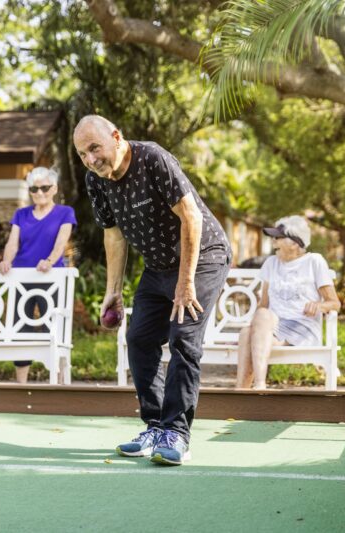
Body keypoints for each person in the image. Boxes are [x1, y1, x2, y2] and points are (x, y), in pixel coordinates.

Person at [73, 115, 231, 466]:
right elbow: (112, 234)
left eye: (95, 147)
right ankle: (156, 424)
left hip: (202, 256)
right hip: (158, 266)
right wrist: (113, 290)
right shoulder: (96, 180)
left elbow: (191, 216)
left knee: (183, 338)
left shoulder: (153, 159)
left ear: (116, 136)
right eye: (83, 153)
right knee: (141, 338)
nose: (90, 159)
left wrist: (186, 283)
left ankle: (177, 433)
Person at [236, 216, 341, 390]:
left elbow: (334, 303)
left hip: (301, 329)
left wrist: (319, 305)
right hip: (273, 328)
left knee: (252, 331)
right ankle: (242, 394)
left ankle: (258, 386)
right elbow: (264, 304)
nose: (273, 241)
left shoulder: (314, 261)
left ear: (295, 242)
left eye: (278, 237)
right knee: (246, 333)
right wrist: (257, 329)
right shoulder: (271, 263)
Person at [0, 167, 77, 383]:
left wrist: (50, 261)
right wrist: (6, 261)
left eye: (44, 188)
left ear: (54, 189)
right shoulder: (20, 214)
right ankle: (21, 386)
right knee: (20, 328)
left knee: (54, 327)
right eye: (34, 188)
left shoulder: (65, 212)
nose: (39, 192)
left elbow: (61, 241)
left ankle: (58, 381)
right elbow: (13, 242)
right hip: (22, 278)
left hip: (51, 278)